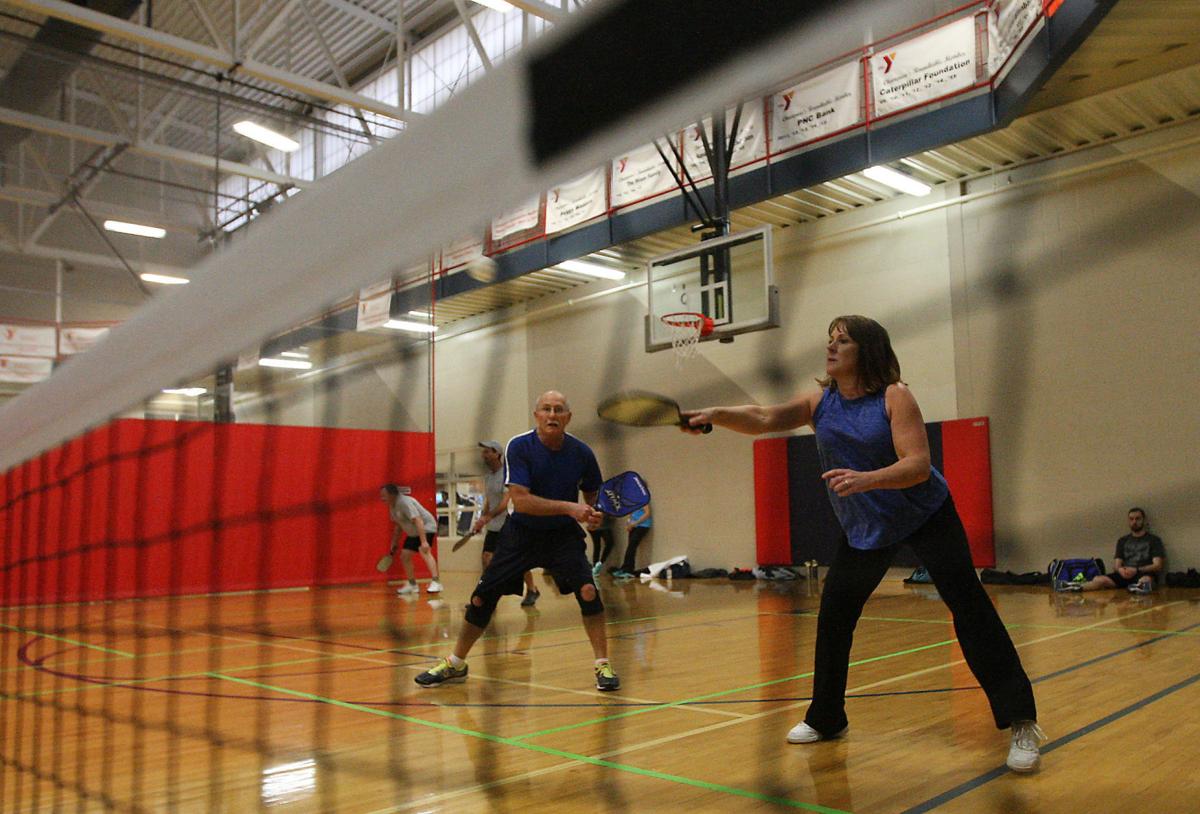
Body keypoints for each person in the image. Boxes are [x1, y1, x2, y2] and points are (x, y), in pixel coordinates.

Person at [681, 315, 1043, 773]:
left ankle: (1022, 722)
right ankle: (827, 718)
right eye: (829, 340)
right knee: (834, 618)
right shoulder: (820, 403)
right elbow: (766, 416)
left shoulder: (895, 396)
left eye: (843, 341)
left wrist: (867, 479)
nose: (831, 348)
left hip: (924, 514)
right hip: (866, 527)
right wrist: (716, 414)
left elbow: (916, 464)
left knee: (969, 608)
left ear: (866, 351)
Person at [415, 391, 620, 691]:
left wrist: (594, 513)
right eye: (546, 409)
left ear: (568, 417)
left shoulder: (582, 453)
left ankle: (603, 665)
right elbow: (521, 502)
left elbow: (592, 495)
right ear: (536, 415)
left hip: (563, 536)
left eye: (559, 410)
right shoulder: (519, 446)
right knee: (480, 598)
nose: (552, 414)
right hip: (521, 533)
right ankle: (456, 663)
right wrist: (570, 507)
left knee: (589, 591)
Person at [470, 440, 540, 606]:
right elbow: (490, 501)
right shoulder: (488, 477)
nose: (484, 455)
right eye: (483, 452)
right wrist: (481, 519)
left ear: (497, 454)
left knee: (518, 560)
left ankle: (532, 590)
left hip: (509, 523)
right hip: (493, 526)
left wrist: (488, 516)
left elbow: (505, 502)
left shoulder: (507, 475)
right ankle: (486, 595)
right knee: (487, 558)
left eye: (487, 452)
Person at [1062, 508, 1164, 594]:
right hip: (1125, 575)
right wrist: (1121, 570)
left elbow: (1157, 565)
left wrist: (1136, 570)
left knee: (1145, 580)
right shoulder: (1122, 541)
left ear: (1143, 520)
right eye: (1131, 519)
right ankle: (1075, 587)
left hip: (1143, 573)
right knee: (1099, 579)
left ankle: (1139, 588)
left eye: (1137, 519)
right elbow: (1116, 565)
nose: (1134, 522)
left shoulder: (1154, 540)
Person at [380, 484, 443, 596]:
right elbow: (398, 526)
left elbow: (418, 520)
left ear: (392, 494)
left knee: (424, 551)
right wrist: (394, 542)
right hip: (413, 532)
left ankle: (436, 582)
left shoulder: (404, 502)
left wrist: (424, 542)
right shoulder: (392, 506)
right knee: (405, 556)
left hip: (426, 527)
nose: (382, 498)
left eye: (384, 495)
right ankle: (412, 585)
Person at [612, 498, 652, 579]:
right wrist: (629, 523)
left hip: (642, 526)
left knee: (632, 547)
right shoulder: (632, 500)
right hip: (633, 526)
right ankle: (625, 568)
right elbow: (631, 513)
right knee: (630, 547)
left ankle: (628, 570)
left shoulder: (643, 499)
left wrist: (635, 523)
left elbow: (647, 513)